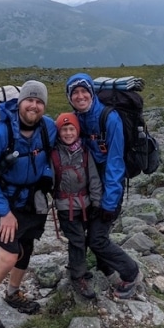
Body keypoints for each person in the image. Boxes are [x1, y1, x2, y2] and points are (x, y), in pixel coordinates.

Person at [0, 80, 58, 328]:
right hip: (4, 200)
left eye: (39, 101)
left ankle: (12, 293)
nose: (34, 105)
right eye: (29, 100)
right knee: (8, 256)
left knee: (26, 248)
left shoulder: (48, 128)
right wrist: (5, 213)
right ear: (20, 102)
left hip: (32, 200)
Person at [64, 72, 142, 299]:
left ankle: (130, 273)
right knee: (93, 234)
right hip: (90, 188)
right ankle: (107, 270)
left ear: (92, 93)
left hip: (110, 188)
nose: (80, 96)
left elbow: (115, 163)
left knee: (97, 238)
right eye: (75, 93)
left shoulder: (110, 118)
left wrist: (109, 202)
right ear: (69, 97)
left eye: (84, 91)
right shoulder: (77, 119)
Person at [51, 112, 101, 301]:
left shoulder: (85, 153)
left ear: (77, 130)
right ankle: (78, 276)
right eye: (64, 130)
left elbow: (94, 178)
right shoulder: (54, 154)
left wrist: (97, 202)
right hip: (65, 206)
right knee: (77, 239)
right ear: (58, 132)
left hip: (86, 204)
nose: (68, 133)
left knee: (84, 238)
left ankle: (76, 267)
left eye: (72, 129)